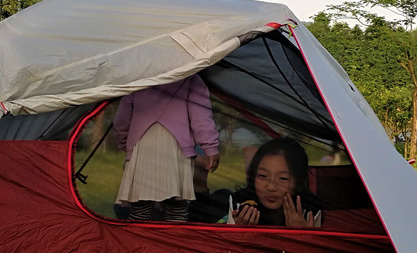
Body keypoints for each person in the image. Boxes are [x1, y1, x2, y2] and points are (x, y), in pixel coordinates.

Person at [112, 75, 220, 222]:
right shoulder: (191, 78)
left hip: (143, 148)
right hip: (177, 149)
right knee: (176, 208)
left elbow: (122, 119)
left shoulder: (137, 78)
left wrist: (125, 143)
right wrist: (211, 147)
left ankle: (138, 241)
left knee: (140, 207)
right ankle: (173, 241)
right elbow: (201, 116)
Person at [227, 137, 322, 228]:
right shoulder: (241, 203)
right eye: (263, 176)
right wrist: (237, 233)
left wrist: (302, 235)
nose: (271, 187)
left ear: (298, 182)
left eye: (283, 178)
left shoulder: (309, 209)